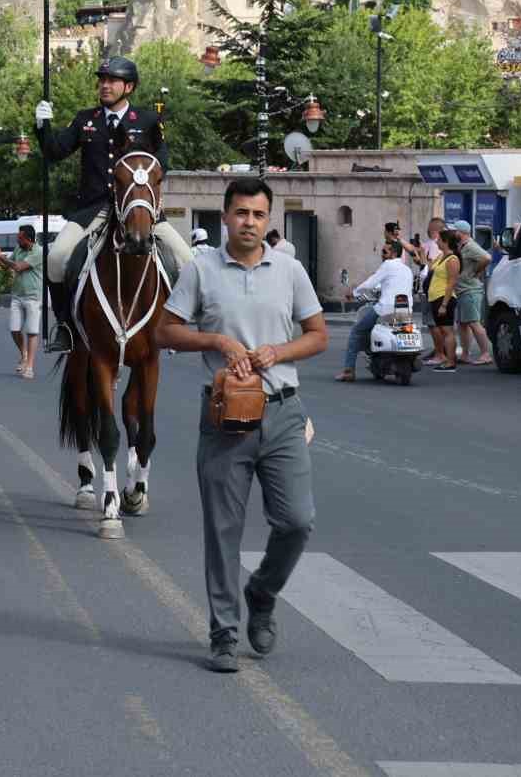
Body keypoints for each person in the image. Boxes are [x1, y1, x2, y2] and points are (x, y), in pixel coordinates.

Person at [156, 176, 327, 674]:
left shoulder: (290, 270)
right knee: (223, 530)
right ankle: (224, 634)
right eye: (240, 213)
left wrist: (279, 351)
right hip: (225, 418)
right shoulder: (201, 270)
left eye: (257, 214)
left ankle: (263, 591)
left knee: (297, 521)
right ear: (225, 217)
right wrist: (216, 342)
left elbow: (317, 336)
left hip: (283, 411)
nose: (248, 222)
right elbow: (166, 330)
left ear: (267, 220)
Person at [34, 55, 191, 353]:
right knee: (56, 258)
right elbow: (54, 152)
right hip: (94, 209)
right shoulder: (85, 119)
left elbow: (163, 163)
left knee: (187, 260)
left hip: (137, 208)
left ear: (128, 86)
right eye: (102, 80)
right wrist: (43, 127)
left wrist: (143, 182)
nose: (104, 86)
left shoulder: (147, 121)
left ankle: (173, 325)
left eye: (112, 81)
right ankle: (65, 325)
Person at [334, 239, 413, 381]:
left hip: (385, 310)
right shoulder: (407, 269)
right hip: (405, 312)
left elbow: (370, 283)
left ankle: (348, 371)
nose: (382, 255)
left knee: (356, 332)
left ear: (393, 253)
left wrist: (353, 293)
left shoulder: (388, 265)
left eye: (384, 252)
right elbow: (391, 286)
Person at [0, 223, 43, 378]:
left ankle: (29, 366)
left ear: (28, 239)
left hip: (33, 297)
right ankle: (24, 354)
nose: (17, 241)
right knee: (14, 329)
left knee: (32, 332)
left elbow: (18, 267)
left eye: (20, 238)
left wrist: (0, 256)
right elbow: (6, 266)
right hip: (17, 296)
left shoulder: (39, 252)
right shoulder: (19, 249)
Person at [450, 223, 492, 364]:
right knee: (463, 323)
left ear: (460, 232)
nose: (452, 233)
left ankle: (485, 354)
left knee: (474, 322)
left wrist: (476, 271)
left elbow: (486, 258)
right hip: (462, 290)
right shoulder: (462, 246)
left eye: (454, 231)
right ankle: (465, 354)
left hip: (470, 290)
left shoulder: (470, 246)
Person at [424, 232, 460, 372]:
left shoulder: (452, 259)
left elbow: (451, 283)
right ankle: (447, 360)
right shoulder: (441, 257)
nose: (436, 242)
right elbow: (430, 268)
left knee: (447, 331)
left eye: (439, 240)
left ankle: (450, 362)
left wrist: (444, 304)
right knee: (443, 330)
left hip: (444, 298)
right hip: (435, 298)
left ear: (445, 242)